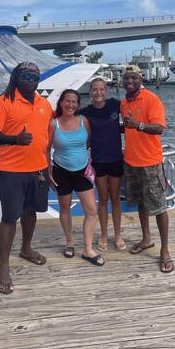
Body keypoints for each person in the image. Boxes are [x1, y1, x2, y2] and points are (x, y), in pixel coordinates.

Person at [0, 62, 52, 294]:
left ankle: (26, 249)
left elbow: (46, 137)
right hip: (11, 170)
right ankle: (3, 267)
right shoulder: (3, 102)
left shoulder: (44, 103)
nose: (32, 80)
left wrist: (48, 167)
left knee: (31, 211)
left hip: (39, 169)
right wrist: (15, 139)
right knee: (9, 217)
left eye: (36, 76)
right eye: (26, 76)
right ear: (16, 77)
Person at [121, 64, 174, 273]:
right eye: (127, 78)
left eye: (134, 78)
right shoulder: (124, 102)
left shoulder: (152, 99)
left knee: (160, 207)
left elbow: (159, 128)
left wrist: (139, 125)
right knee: (141, 203)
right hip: (131, 161)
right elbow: (125, 126)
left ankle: (165, 250)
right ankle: (146, 239)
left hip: (151, 163)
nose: (130, 82)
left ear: (140, 79)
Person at [49, 89, 104, 266]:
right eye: (67, 101)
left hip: (82, 171)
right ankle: (70, 242)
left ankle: (88, 249)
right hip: (61, 171)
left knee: (91, 210)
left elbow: (87, 143)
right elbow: (46, 148)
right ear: (61, 103)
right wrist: (48, 171)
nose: (70, 104)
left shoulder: (83, 121)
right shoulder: (53, 124)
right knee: (65, 208)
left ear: (78, 105)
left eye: (74, 102)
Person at [80, 78, 126, 251]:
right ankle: (104, 235)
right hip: (98, 160)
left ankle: (118, 235)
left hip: (115, 158)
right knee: (103, 199)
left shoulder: (115, 105)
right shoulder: (85, 112)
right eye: (94, 90)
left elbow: (131, 114)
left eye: (101, 89)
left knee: (115, 198)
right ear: (90, 92)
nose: (98, 93)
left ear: (106, 90)